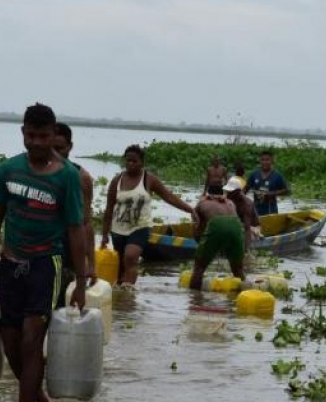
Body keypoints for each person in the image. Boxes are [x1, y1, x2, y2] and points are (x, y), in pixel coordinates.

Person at [0, 103, 88, 402]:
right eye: (30, 135)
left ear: (54, 135)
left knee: (31, 340)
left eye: (42, 136)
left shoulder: (67, 176)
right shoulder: (8, 170)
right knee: (10, 344)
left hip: (44, 265)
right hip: (10, 264)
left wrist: (81, 281)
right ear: (22, 132)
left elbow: (76, 229)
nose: (36, 142)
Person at [100, 145, 198, 287]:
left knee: (131, 256)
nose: (130, 164)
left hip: (140, 227)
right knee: (120, 264)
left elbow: (169, 197)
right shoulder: (117, 181)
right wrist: (104, 235)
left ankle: (128, 289)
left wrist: (190, 209)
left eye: (134, 161)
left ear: (142, 163)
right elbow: (109, 209)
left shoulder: (148, 179)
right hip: (118, 228)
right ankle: (122, 300)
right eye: (128, 161)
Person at [52, 122, 97, 301]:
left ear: (69, 147)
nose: (55, 154)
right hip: (41, 249)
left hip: (69, 249)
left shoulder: (82, 178)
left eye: (60, 148)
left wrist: (91, 265)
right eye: (51, 148)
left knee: (62, 301)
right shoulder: (35, 172)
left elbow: (86, 223)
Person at [189, 177, 252, 290]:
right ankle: (246, 293)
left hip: (217, 224)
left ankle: (194, 300)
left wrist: (200, 247)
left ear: (207, 193)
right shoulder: (230, 203)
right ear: (223, 193)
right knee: (237, 270)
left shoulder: (202, 203)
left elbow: (196, 227)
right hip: (236, 226)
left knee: (199, 267)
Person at [248, 150, 290, 216]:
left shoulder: (277, 176)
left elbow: (287, 191)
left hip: (271, 210)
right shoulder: (254, 174)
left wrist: (271, 194)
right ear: (259, 161)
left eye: (267, 160)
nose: (265, 162)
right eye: (262, 160)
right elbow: (245, 189)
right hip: (256, 209)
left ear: (272, 161)